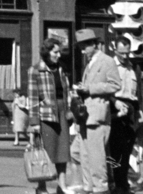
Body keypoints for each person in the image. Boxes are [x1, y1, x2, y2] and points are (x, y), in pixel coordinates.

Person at [76, 30, 121, 194]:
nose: (82, 50)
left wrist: (90, 88)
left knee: (97, 157)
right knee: (83, 154)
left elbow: (115, 85)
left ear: (93, 44)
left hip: (98, 115)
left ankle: (101, 188)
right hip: (86, 115)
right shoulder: (90, 63)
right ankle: (89, 187)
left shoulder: (106, 61)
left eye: (84, 46)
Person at [27, 35, 73, 194]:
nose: (59, 55)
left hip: (62, 114)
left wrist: (69, 111)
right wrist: (34, 123)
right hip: (45, 116)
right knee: (43, 152)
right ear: (46, 52)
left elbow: (67, 92)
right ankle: (41, 187)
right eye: (55, 52)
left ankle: (62, 186)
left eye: (59, 52)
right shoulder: (35, 70)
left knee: (62, 152)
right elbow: (32, 98)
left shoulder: (62, 69)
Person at [107, 33, 142, 194]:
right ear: (115, 49)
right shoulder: (109, 66)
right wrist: (114, 102)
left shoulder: (134, 67)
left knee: (128, 149)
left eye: (127, 52)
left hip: (131, 109)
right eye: (121, 53)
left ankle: (123, 183)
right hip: (115, 107)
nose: (125, 56)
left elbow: (140, 91)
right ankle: (116, 183)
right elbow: (105, 89)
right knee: (116, 149)